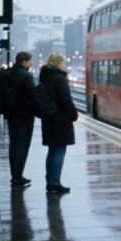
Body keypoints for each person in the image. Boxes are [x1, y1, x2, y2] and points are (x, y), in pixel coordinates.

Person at [39, 53, 78, 194]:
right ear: (58, 63)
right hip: (60, 120)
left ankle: (50, 181)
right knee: (60, 151)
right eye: (63, 62)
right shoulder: (59, 79)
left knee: (52, 150)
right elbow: (66, 100)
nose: (64, 65)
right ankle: (55, 182)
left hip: (49, 119)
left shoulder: (45, 77)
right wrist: (74, 115)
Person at [3, 52, 37, 185]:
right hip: (25, 115)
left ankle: (14, 173)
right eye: (29, 61)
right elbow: (32, 96)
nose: (30, 64)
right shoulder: (27, 76)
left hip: (10, 113)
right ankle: (18, 175)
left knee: (14, 143)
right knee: (23, 145)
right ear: (24, 61)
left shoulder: (7, 73)